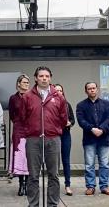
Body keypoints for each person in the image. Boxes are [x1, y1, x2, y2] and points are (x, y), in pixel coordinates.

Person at [20, 66, 68, 207]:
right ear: (35, 78)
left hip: (53, 139)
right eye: (41, 76)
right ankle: (33, 204)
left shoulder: (58, 97)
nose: (44, 78)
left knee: (53, 175)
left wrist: (53, 129)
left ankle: (52, 204)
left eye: (47, 76)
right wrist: (31, 130)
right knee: (33, 175)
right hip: (33, 139)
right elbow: (22, 117)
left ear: (50, 78)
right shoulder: (27, 96)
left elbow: (63, 119)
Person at [76, 82, 109, 196]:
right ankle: (90, 186)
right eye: (89, 89)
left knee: (104, 164)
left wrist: (101, 129)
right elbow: (81, 120)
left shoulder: (107, 104)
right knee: (89, 164)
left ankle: (104, 186)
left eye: (94, 88)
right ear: (86, 91)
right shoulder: (81, 105)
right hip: (89, 138)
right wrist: (92, 129)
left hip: (104, 138)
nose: (92, 90)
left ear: (97, 90)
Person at [9, 74, 30, 196]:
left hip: (30, 129)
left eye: (28, 82)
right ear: (18, 84)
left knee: (28, 157)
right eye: (24, 82)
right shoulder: (13, 98)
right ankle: (21, 185)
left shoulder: (32, 96)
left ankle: (27, 184)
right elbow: (12, 115)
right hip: (18, 130)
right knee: (19, 157)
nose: (26, 84)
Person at [54, 83, 75, 196]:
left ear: (63, 92)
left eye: (60, 90)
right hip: (54, 136)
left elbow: (73, 120)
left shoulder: (67, 105)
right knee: (54, 162)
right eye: (56, 90)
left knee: (66, 161)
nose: (58, 92)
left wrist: (69, 123)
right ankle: (55, 186)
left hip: (66, 135)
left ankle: (67, 185)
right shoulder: (50, 105)